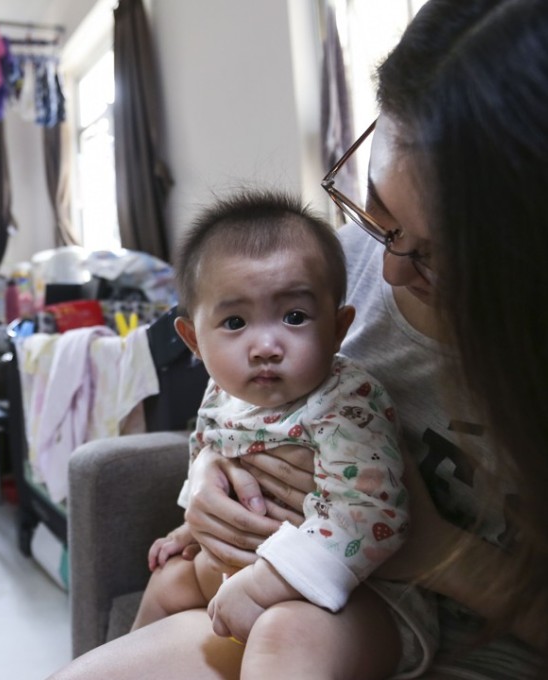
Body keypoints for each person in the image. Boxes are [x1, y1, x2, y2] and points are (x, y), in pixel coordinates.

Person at [49, 1, 547, 677]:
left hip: (380, 614)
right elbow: (219, 437)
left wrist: (436, 552)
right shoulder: (329, 270)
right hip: (267, 580)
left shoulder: (344, 383)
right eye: (378, 214)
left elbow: (369, 512)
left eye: (439, 255)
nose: (390, 270)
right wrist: (205, 499)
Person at [133, 190, 437, 679]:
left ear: (338, 329)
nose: (266, 346)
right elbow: (210, 449)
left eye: (294, 317)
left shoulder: (346, 402)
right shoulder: (221, 390)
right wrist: (192, 524)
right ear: (194, 340)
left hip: (354, 597)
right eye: (235, 322)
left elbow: (372, 517)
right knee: (166, 581)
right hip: (237, 571)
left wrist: (264, 583)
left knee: (284, 635)